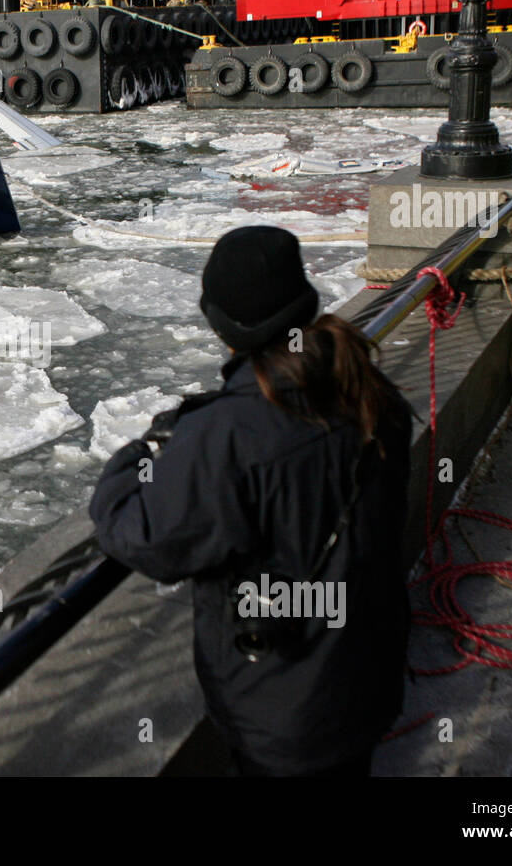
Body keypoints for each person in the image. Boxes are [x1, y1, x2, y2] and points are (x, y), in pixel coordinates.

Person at [89, 225, 413, 776]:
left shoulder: (227, 433)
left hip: (282, 704)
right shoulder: (371, 393)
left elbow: (146, 537)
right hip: (365, 671)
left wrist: (133, 459)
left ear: (220, 322)